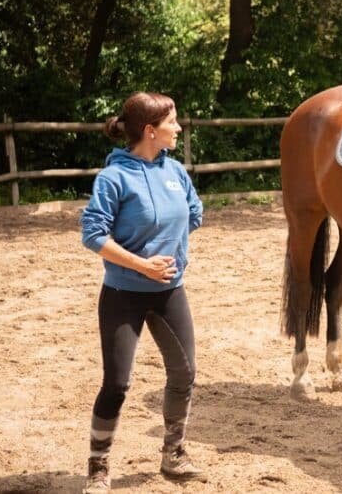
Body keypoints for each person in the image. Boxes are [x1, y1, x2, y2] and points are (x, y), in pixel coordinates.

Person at [78, 92, 206, 493]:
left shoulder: (176, 171)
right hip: (124, 292)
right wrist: (142, 263)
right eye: (173, 123)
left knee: (184, 373)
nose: (179, 128)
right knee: (117, 383)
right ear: (150, 131)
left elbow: (194, 214)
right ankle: (98, 466)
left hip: (170, 291)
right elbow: (93, 234)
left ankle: (174, 453)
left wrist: (172, 255)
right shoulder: (114, 178)